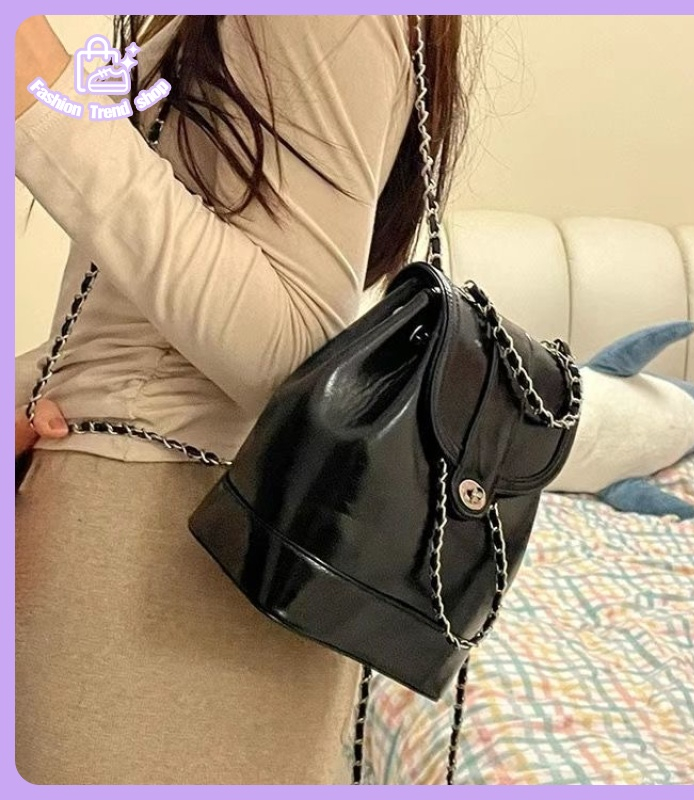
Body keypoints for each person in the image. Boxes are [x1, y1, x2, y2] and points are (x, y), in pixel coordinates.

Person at [14, 14, 467, 784]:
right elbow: (142, 320)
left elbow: (294, 354)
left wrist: (35, 92)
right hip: (137, 558)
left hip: (166, 575)